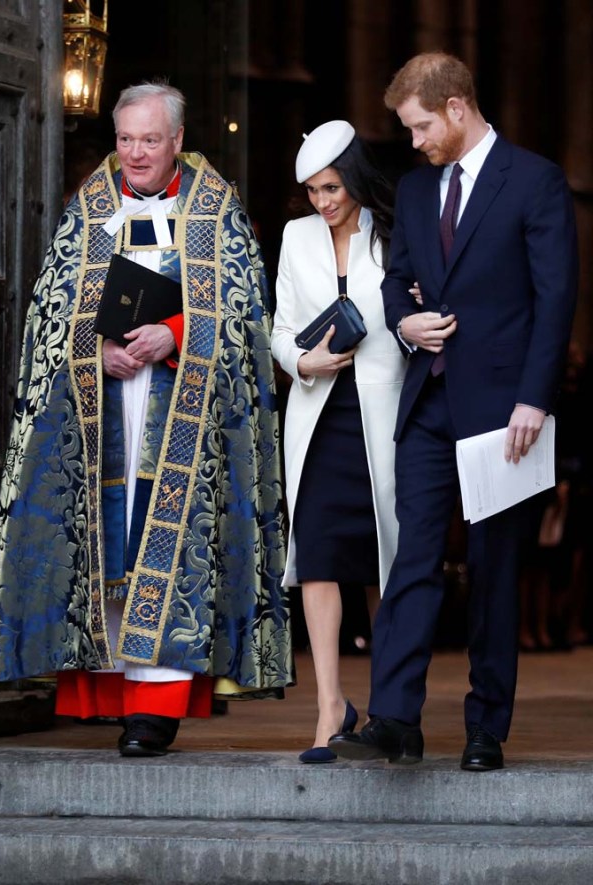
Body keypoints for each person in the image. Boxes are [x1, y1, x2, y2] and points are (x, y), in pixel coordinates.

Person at [0, 80, 294, 756]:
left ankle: (156, 706)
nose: (136, 153)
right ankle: (113, 692)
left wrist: (176, 333)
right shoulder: (87, 211)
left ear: (178, 139)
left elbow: (243, 317)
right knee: (108, 546)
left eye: (150, 139)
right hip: (103, 418)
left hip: (180, 412)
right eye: (126, 140)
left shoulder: (215, 211)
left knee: (167, 547)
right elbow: (49, 315)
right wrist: (97, 350)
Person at [329, 52, 578, 771]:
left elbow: (555, 297)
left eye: (420, 126)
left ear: (458, 108)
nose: (414, 141)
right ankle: (396, 717)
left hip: (506, 410)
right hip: (430, 402)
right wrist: (404, 325)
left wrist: (535, 395)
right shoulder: (412, 191)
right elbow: (397, 278)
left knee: (497, 570)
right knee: (412, 558)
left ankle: (484, 729)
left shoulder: (535, 181)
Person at [271, 121, 405, 762]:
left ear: (353, 178)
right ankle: (330, 708)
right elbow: (281, 325)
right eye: (312, 192)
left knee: (387, 560)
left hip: (384, 419)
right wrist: (303, 364)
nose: (322, 202)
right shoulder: (296, 238)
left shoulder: (392, 231)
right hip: (319, 418)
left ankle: (389, 708)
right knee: (319, 557)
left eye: (330, 187)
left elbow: (409, 314)